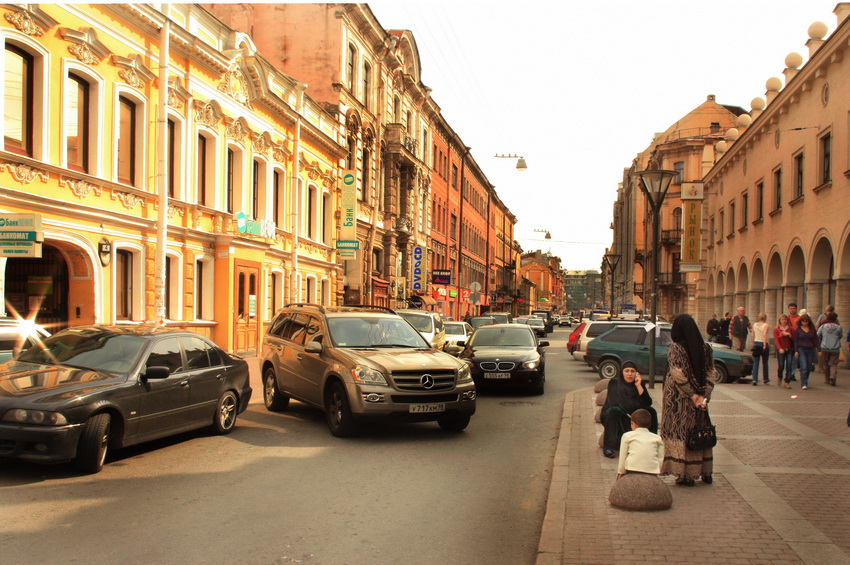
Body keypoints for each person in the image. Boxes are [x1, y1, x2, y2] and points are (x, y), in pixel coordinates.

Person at [660, 313, 715, 486]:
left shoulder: (675, 347)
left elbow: (677, 374)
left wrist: (691, 395)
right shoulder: (706, 348)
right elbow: (711, 373)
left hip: (678, 400)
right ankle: (703, 471)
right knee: (698, 431)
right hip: (700, 400)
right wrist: (703, 396)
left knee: (680, 433)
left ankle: (684, 474)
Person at [600, 361, 657, 459]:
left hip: (634, 416)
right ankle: (608, 446)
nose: (630, 374)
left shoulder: (639, 384)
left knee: (651, 411)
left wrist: (639, 386)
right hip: (617, 414)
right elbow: (615, 402)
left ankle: (652, 442)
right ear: (622, 372)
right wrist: (630, 415)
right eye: (627, 371)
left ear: (636, 373)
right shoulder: (614, 383)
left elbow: (647, 403)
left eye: (632, 371)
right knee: (614, 410)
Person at [616, 408, 664, 478]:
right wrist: (657, 469)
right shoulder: (657, 438)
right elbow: (660, 457)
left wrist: (621, 472)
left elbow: (623, 456)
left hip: (632, 468)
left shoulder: (627, 436)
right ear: (649, 424)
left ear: (633, 424)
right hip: (652, 470)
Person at [793, 313, 819, 390]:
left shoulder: (812, 329)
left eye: (806, 321)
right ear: (800, 322)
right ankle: (804, 383)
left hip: (811, 349)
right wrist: (796, 351)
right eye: (803, 321)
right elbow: (796, 341)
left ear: (808, 322)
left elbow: (816, 339)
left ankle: (805, 378)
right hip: (801, 349)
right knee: (803, 366)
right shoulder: (798, 330)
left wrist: (819, 349)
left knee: (808, 367)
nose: (804, 323)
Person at [817, 311, 843, 386]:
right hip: (835, 348)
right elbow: (840, 336)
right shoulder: (838, 327)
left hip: (825, 347)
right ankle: (833, 377)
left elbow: (817, 335)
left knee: (825, 364)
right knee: (834, 364)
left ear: (827, 319)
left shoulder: (823, 327)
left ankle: (827, 379)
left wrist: (821, 341)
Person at [774, 314, 795, 388]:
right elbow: (776, 340)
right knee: (781, 365)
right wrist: (780, 348)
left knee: (789, 365)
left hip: (789, 349)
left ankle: (787, 381)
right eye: (782, 320)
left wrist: (790, 335)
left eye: (785, 319)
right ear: (780, 321)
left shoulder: (791, 329)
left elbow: (794, 340)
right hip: (781, 349)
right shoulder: (776, 329)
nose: (784, 321)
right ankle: (780, 376)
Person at [751, 312, 770, 385]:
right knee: (765, 362)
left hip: (756, 343)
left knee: (756, 363)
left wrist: (753, 343)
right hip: (762, 343)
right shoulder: (766, 325)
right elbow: (764, 334)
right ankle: (765, 378)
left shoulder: (755, 325)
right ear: (765, 318)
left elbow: (752, 334)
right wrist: (764, 345)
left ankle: (754, 379)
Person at [787, 303, 801, 381]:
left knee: (795, 358)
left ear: (796, 309)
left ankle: (792, 373)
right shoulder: (787, 318)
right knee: (788, 358)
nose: (792, 310)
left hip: (797, 340)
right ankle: (787, 373)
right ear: (788, 309)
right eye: (791, 308)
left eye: (794, 308)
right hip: (789, 340)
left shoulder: (800, 318)